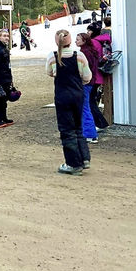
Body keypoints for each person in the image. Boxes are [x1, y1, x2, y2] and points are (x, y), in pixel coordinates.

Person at [46, 29, 92, 174]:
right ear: (70, 41)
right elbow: (87, 76)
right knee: (78, 127)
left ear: (56, 41)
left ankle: (73, 163)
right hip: (77, 94)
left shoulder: (52, 57)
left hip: (62, 95)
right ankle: (84, 158)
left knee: (66, 130)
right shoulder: (79, 56)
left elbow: (50, 73)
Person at [75, 32, 99, 143]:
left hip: (85, 82)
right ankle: (89, 132)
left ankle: (90, 134)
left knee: (85, 108)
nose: (76, 41)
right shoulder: (91, 51)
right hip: (91, 81)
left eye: (78, 39)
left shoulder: (84, 53)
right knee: (86, 107)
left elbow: (84, 69)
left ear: (84, 41)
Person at [87, 21, 112, 127]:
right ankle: (99, 123)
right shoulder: (101, 41)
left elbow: (91, 59)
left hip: (94, 75)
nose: (87, 32)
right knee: (91, 100)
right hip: (99, 74)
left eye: (89, 30)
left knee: (90, 101)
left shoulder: (93, 43)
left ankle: (100, 123)